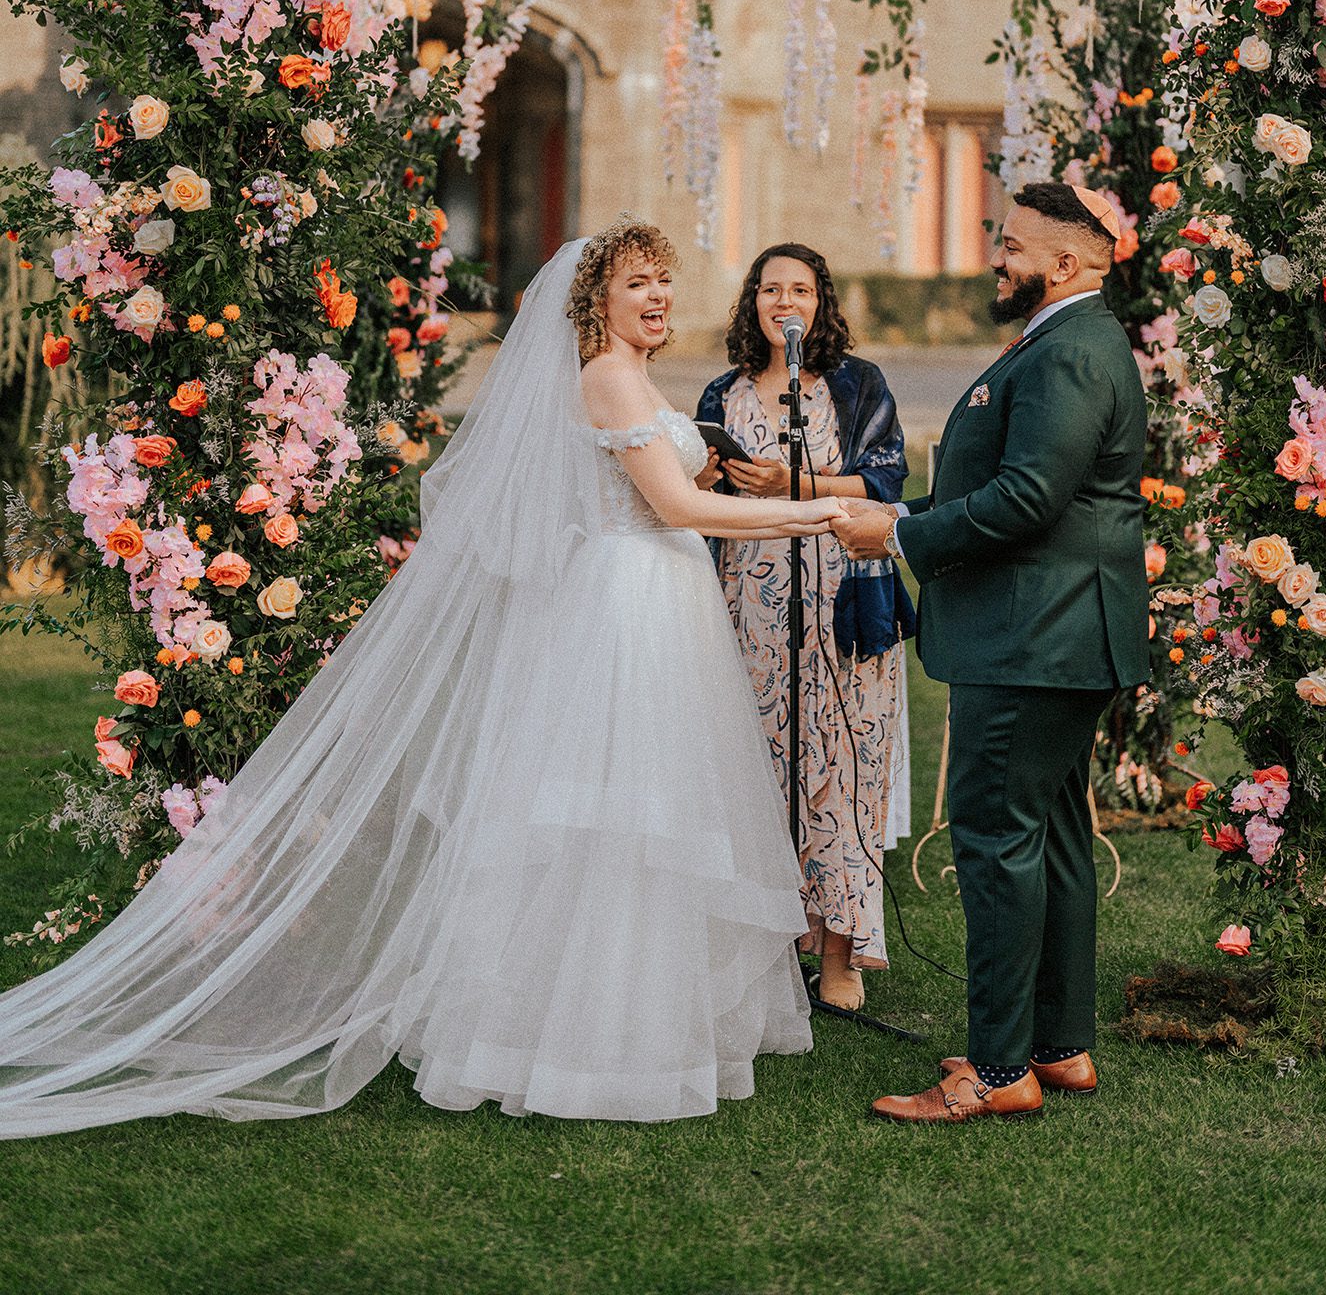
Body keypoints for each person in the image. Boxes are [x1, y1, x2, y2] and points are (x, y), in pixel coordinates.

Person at [0, 221, 847, 1135]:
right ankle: (589, 1044)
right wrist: (819, 514)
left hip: (655, 603)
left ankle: (623, 1021)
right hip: (626, 613)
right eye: (637, 283)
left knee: (641, 817)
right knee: (615, 818)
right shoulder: (605, 376)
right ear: (595, 299)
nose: (657, 299)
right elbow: (675, 505)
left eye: (664, 284)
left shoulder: (631, 377)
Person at [833, 181, 1148, 1122]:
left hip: (1033, 636)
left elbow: (1026, 502)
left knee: (996, 845)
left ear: (1066, 261)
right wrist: (897, 512)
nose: (996, 257)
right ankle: (1059, 1048)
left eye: (1012, 244)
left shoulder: (1071, 352)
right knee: (1049, 842)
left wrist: (896, 540)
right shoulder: (1064, 339)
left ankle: (997, 1071)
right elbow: (1009, 487)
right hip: (1054, 631)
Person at [696, 244, 914, 1012]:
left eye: (800, 288)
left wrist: (797, 484)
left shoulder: (858, 385)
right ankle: (769, 935)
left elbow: (887, 478)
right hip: (751, 605)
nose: (783, 301)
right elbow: (697, 493)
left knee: (842, 773)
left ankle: (840, 952)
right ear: (751, 300)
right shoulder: (723, 392)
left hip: (844, 599)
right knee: (763, 771)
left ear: (822, 301)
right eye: (769, 288)